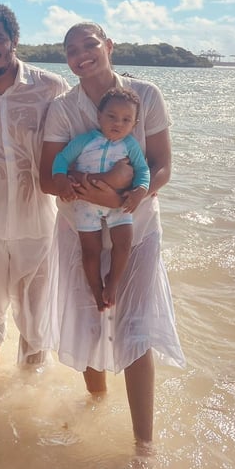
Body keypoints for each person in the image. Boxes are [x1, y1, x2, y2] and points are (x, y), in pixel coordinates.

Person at [40, 21, 185, 449]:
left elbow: (162, 166)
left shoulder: (146, 95)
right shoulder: (63, 108)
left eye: (89, 45)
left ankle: (144, 447)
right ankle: (96, 409)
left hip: (136, 228)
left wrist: (124, 196)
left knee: (136, 328)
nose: (81, 55)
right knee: (89, 321)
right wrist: (92, 188)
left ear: (109, 46)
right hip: (78, 229)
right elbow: (47, 177)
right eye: (71, 49)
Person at [0, 2, 69, 365]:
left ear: (14, 40)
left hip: (39, 224)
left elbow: (79, 137)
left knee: (35, 319)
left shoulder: (50, 87)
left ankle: (29, 382)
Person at [51, 87, 150, 311]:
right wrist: (61, 180)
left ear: (134, 124)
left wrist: (139, 191)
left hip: (118, 205)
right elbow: (61, 159)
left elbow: (143, 170)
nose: (118, 123)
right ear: (99, 116)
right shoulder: (85, 141)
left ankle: (112, 283)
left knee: (123, 244)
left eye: (126, 120)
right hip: (85, 204)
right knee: (90, 250)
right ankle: (96, 289)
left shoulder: (130, 145)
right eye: (111, 116)